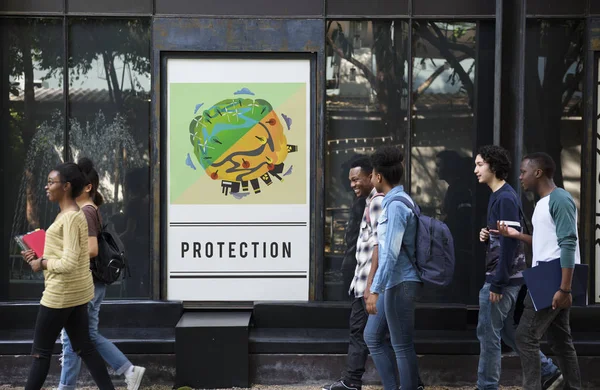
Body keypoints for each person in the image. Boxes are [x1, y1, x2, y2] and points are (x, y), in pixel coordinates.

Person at [474, 146, 562, 390]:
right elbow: (504, 237)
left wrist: (498, 282)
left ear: (493, 166)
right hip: (506, 278)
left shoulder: (504, 197)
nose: (475, 170)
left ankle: (486, 386)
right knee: (504, 332)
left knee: (488, 335)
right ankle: (549, 372)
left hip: (502, 279)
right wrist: (487, 234)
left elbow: (511, 244)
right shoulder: (500, 196)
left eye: (480, 164)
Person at [21, 162, 115, 390]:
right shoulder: (68, 214)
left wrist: (41, 263)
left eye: (51, 182)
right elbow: (69, 253)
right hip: (75, 294)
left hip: (60, 295)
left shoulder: (72, 217)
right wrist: (40, 254)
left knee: (40, 354)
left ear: (66, 186)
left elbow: (71, 262)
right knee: (85, 347)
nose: (46, 186)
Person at [58, 158, 146, 390]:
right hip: (94, 283)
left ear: (87, 187)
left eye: (73, 184)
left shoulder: (86, 212)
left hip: (86, 283)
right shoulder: (91, 209)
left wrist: (63, 255)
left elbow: (93, 249)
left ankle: (65, 387)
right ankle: (129, 370)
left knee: (71, 339)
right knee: (88, 335)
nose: (69, 188)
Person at [495, 152, 581, 390]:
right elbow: (546, 241)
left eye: (523, 172)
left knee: (525, 336)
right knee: (561, 341)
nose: (520, 176)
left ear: (538, 172)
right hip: (549, 275)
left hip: (553, 276)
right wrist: (516, 235)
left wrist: (564, 288)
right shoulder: (543, 203)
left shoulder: (560, 199)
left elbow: (568, 244)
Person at [322, 156, 385, 390]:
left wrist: (371, 286)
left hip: (369, 286)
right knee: (377, 335)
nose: (353, 185)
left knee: (362, 333)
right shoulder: (366, 202)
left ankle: (352, 381)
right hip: (363, 283)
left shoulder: (376, 203)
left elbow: (380, 246)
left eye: (356, 179)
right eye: (350, 181)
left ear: (372, 176)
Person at [364, 146, 423, 390]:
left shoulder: (396, 206)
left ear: (379, 177)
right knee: (372, 336)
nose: (371, 179)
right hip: (396, 281)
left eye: (372, 174)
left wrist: (374, 289)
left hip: (400, 282)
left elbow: (389, 254)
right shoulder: (399, 200)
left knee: (402, 345)